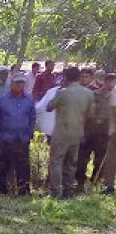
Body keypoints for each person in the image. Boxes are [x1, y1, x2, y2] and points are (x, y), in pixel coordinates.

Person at [46, 66, 95, 198]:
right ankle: (68, 192)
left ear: (66, 78)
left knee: (57, 163)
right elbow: (91, 114)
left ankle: (56, 192)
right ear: (79, 77)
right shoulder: (88, 94)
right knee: (71, 164)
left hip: (61, 133)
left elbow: (49, 107)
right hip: (77, 133)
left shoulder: (63, 93)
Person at [0, 74, 36, 195]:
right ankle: (2, 191)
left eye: (22, 83)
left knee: (23, 167)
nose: (19, 85)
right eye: (17, 83)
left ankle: (23, 191)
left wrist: (28, 135)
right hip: (5, 139)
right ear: (11, 84)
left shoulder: (29, 100)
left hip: (22, 139)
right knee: (2, 166)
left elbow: (32, 119)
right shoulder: (2, 100)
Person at [75, 71, 113, 192]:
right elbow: (83, 113)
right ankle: (80, 184)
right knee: (82, 161)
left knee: (100, 162)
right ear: (104, 81)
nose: (111, 84)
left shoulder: (115, 97)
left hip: (105, 135)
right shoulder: (93, 94)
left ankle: (94, 184)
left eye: (113, 81)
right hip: (89, 133)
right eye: (109, 81)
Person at [101, 73, 116, 194]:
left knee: (111, 159)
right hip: (114, 133)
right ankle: (109, 186)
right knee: (111, 159)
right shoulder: (113, 95)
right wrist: (111, 129)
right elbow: (111, 115)